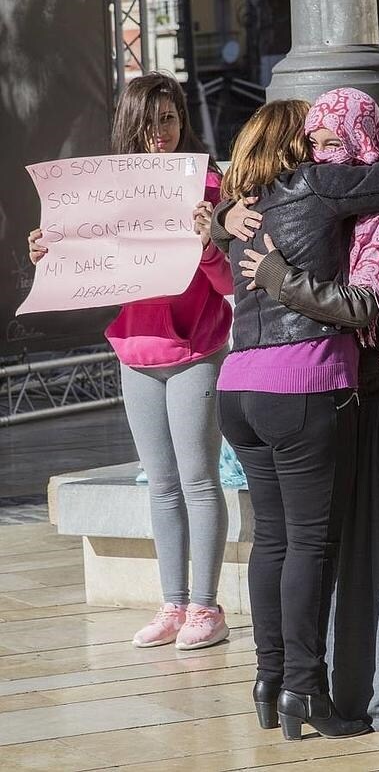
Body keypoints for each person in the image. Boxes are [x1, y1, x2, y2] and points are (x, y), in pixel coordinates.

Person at [217, 88, 379, 731]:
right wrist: (279, 272)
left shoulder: (254, 207)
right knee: (304, 542)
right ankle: (304, 688)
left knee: (270, 539)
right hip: (302, 383)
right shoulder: (324, 191)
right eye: (316, 141)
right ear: (299, 149)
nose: (327, 153)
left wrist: (223, 215)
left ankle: (268, 683)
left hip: (238, 386)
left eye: (332, 139)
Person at [28, 72, 234, 651]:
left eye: (168, 119)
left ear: (182, 120)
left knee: (198, 479)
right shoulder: (109, 190)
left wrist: (210, 243)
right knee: (162, 484)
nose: (159, 133)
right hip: (136, 351)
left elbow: (226, 284)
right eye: (148, 122)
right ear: (129, 126)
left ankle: (206, 607)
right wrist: (49, 250)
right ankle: (172, 603)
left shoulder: (207, 184)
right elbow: (76, 266)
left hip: (197, 349)